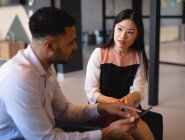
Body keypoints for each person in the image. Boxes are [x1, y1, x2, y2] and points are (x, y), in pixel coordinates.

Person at [0, 7, 142, 140]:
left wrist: (104, 107)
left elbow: (64, 110)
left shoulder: (47, 67)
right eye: (71, 42)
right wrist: (106, 133)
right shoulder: (19, 79)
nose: (76, 47)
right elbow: (45, 138)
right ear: (49, 46)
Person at [85, 9, 154, 140]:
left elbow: (138, 90)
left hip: (128, 106)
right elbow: (91, 92)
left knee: (138, 125)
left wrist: (129, 99)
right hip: (103, 108)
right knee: (127, 135)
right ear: (114, 28)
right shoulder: (99, 53)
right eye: (120, 29)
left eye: (130, 32)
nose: (123, 36)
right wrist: (116, 103)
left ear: (137, 35)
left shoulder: (138, 56)